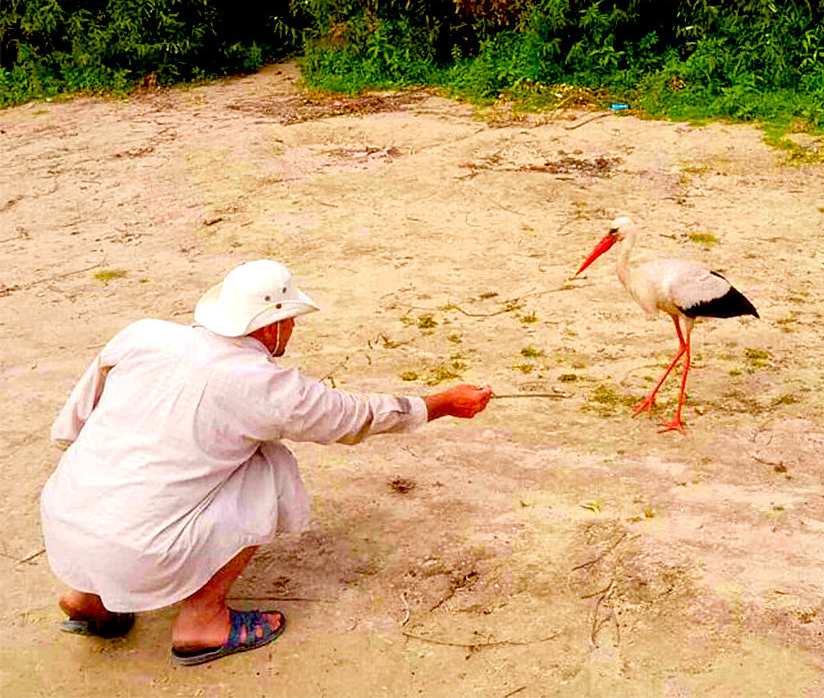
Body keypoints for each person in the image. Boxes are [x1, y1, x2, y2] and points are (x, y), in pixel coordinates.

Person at [40, 259, 492, 665]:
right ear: (270, 326)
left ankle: (89, 598)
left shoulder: (143, 334)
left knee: (127, 471)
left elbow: (71, 425)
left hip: (64, 520)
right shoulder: (261, 384)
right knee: (267, 464)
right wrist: (440, 404)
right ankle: (203, 621)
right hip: (137, 549)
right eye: (290, 319)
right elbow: (353, 417)